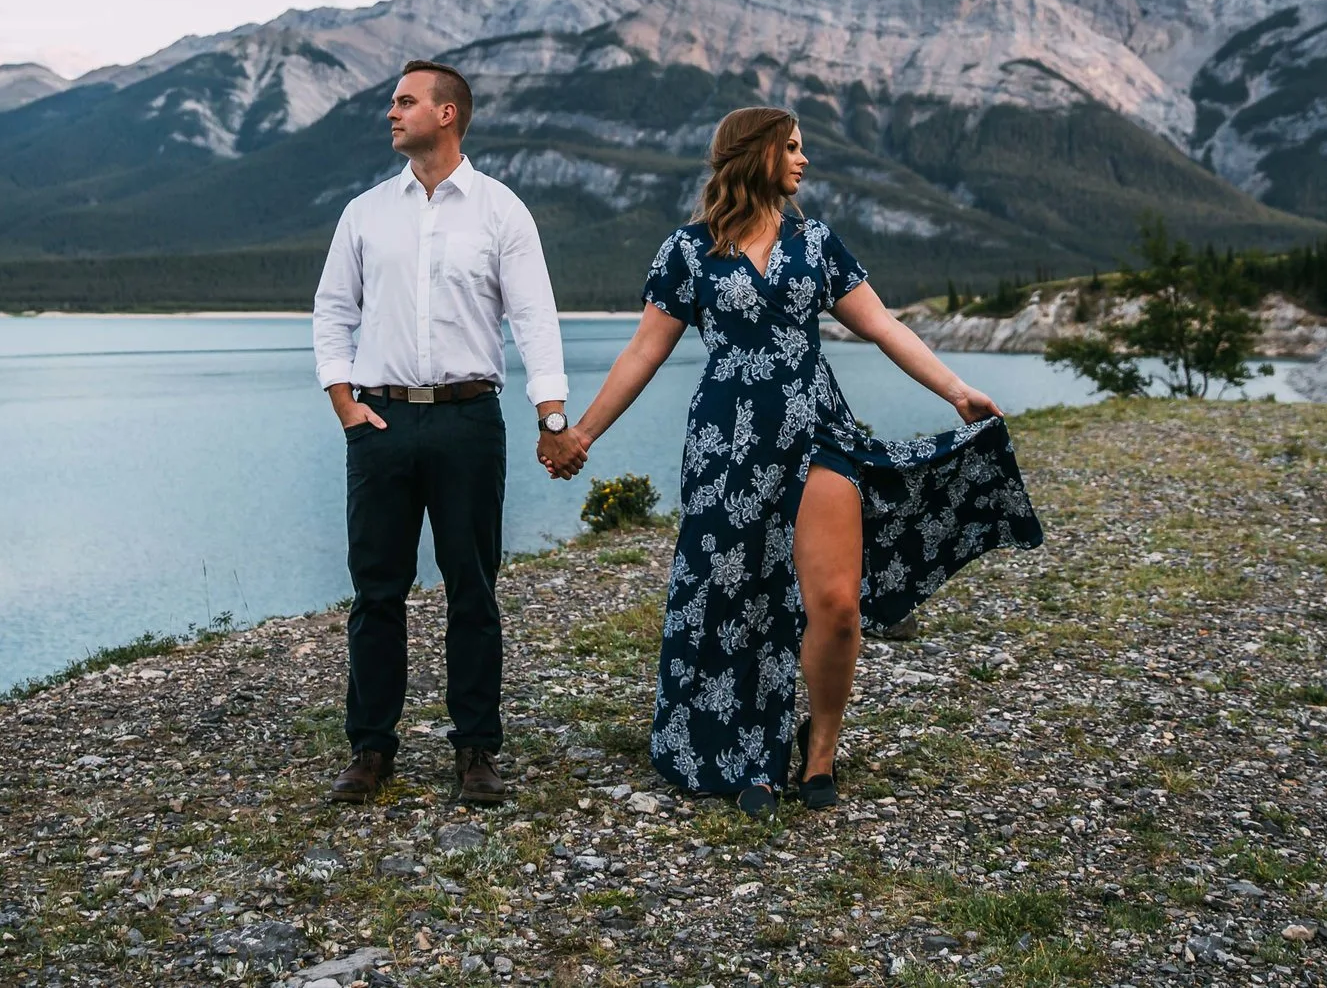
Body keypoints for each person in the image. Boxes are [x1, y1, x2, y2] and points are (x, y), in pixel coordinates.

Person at [541, 106, 1043, 814]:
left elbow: (882, 325)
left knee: (835, 605)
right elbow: (643, 352)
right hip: (728, 445)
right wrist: (583, 433)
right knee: (735, 600)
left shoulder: (817, 243)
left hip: (817, 429)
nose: (804, 160)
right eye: (793, 147)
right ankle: (748, 753)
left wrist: (957, 390)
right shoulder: (687, 251)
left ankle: (819, 750)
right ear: (756, 154)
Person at [313, 60, 570, 807]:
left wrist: (551, 417)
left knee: (473, 589)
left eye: (405, 102)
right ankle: (370, 748)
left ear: (447, 113)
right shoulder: (364, 213)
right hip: (382, 420)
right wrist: (344, 403)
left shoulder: (500, 210)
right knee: (376, 590)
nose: (391, 113)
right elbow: (333, 311)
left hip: (468, 420)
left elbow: (535, 318)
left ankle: (477, 750)